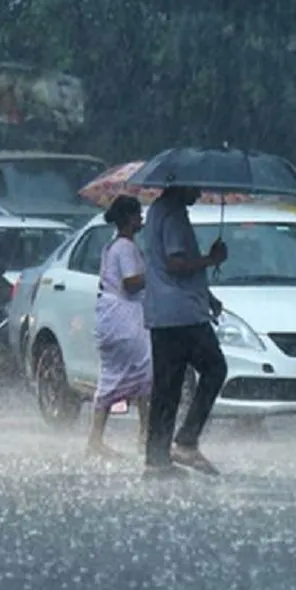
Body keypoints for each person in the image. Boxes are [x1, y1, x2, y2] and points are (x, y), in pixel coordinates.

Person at [142, 185, 229, 478]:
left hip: (162, 313)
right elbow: (176, 263)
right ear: (181, 184)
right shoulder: (175, 214)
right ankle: (187, 440)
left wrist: (209, 297)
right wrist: (211, 260)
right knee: (215, 368)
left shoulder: (156, 210)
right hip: (183, 314)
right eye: (196, 186)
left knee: (167, 387)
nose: (200, 191)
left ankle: (156, 458)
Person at [89, 195, 152, 458]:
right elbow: (131, 283)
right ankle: (144, 436)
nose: (141, 219)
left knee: (118, 376)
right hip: (123, 319)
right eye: (138, 215)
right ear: (128, 219)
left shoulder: (112, 246)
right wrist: (155, 274)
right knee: (146, 373)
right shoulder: (125, 247)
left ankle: (99, 439)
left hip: (114, 317)